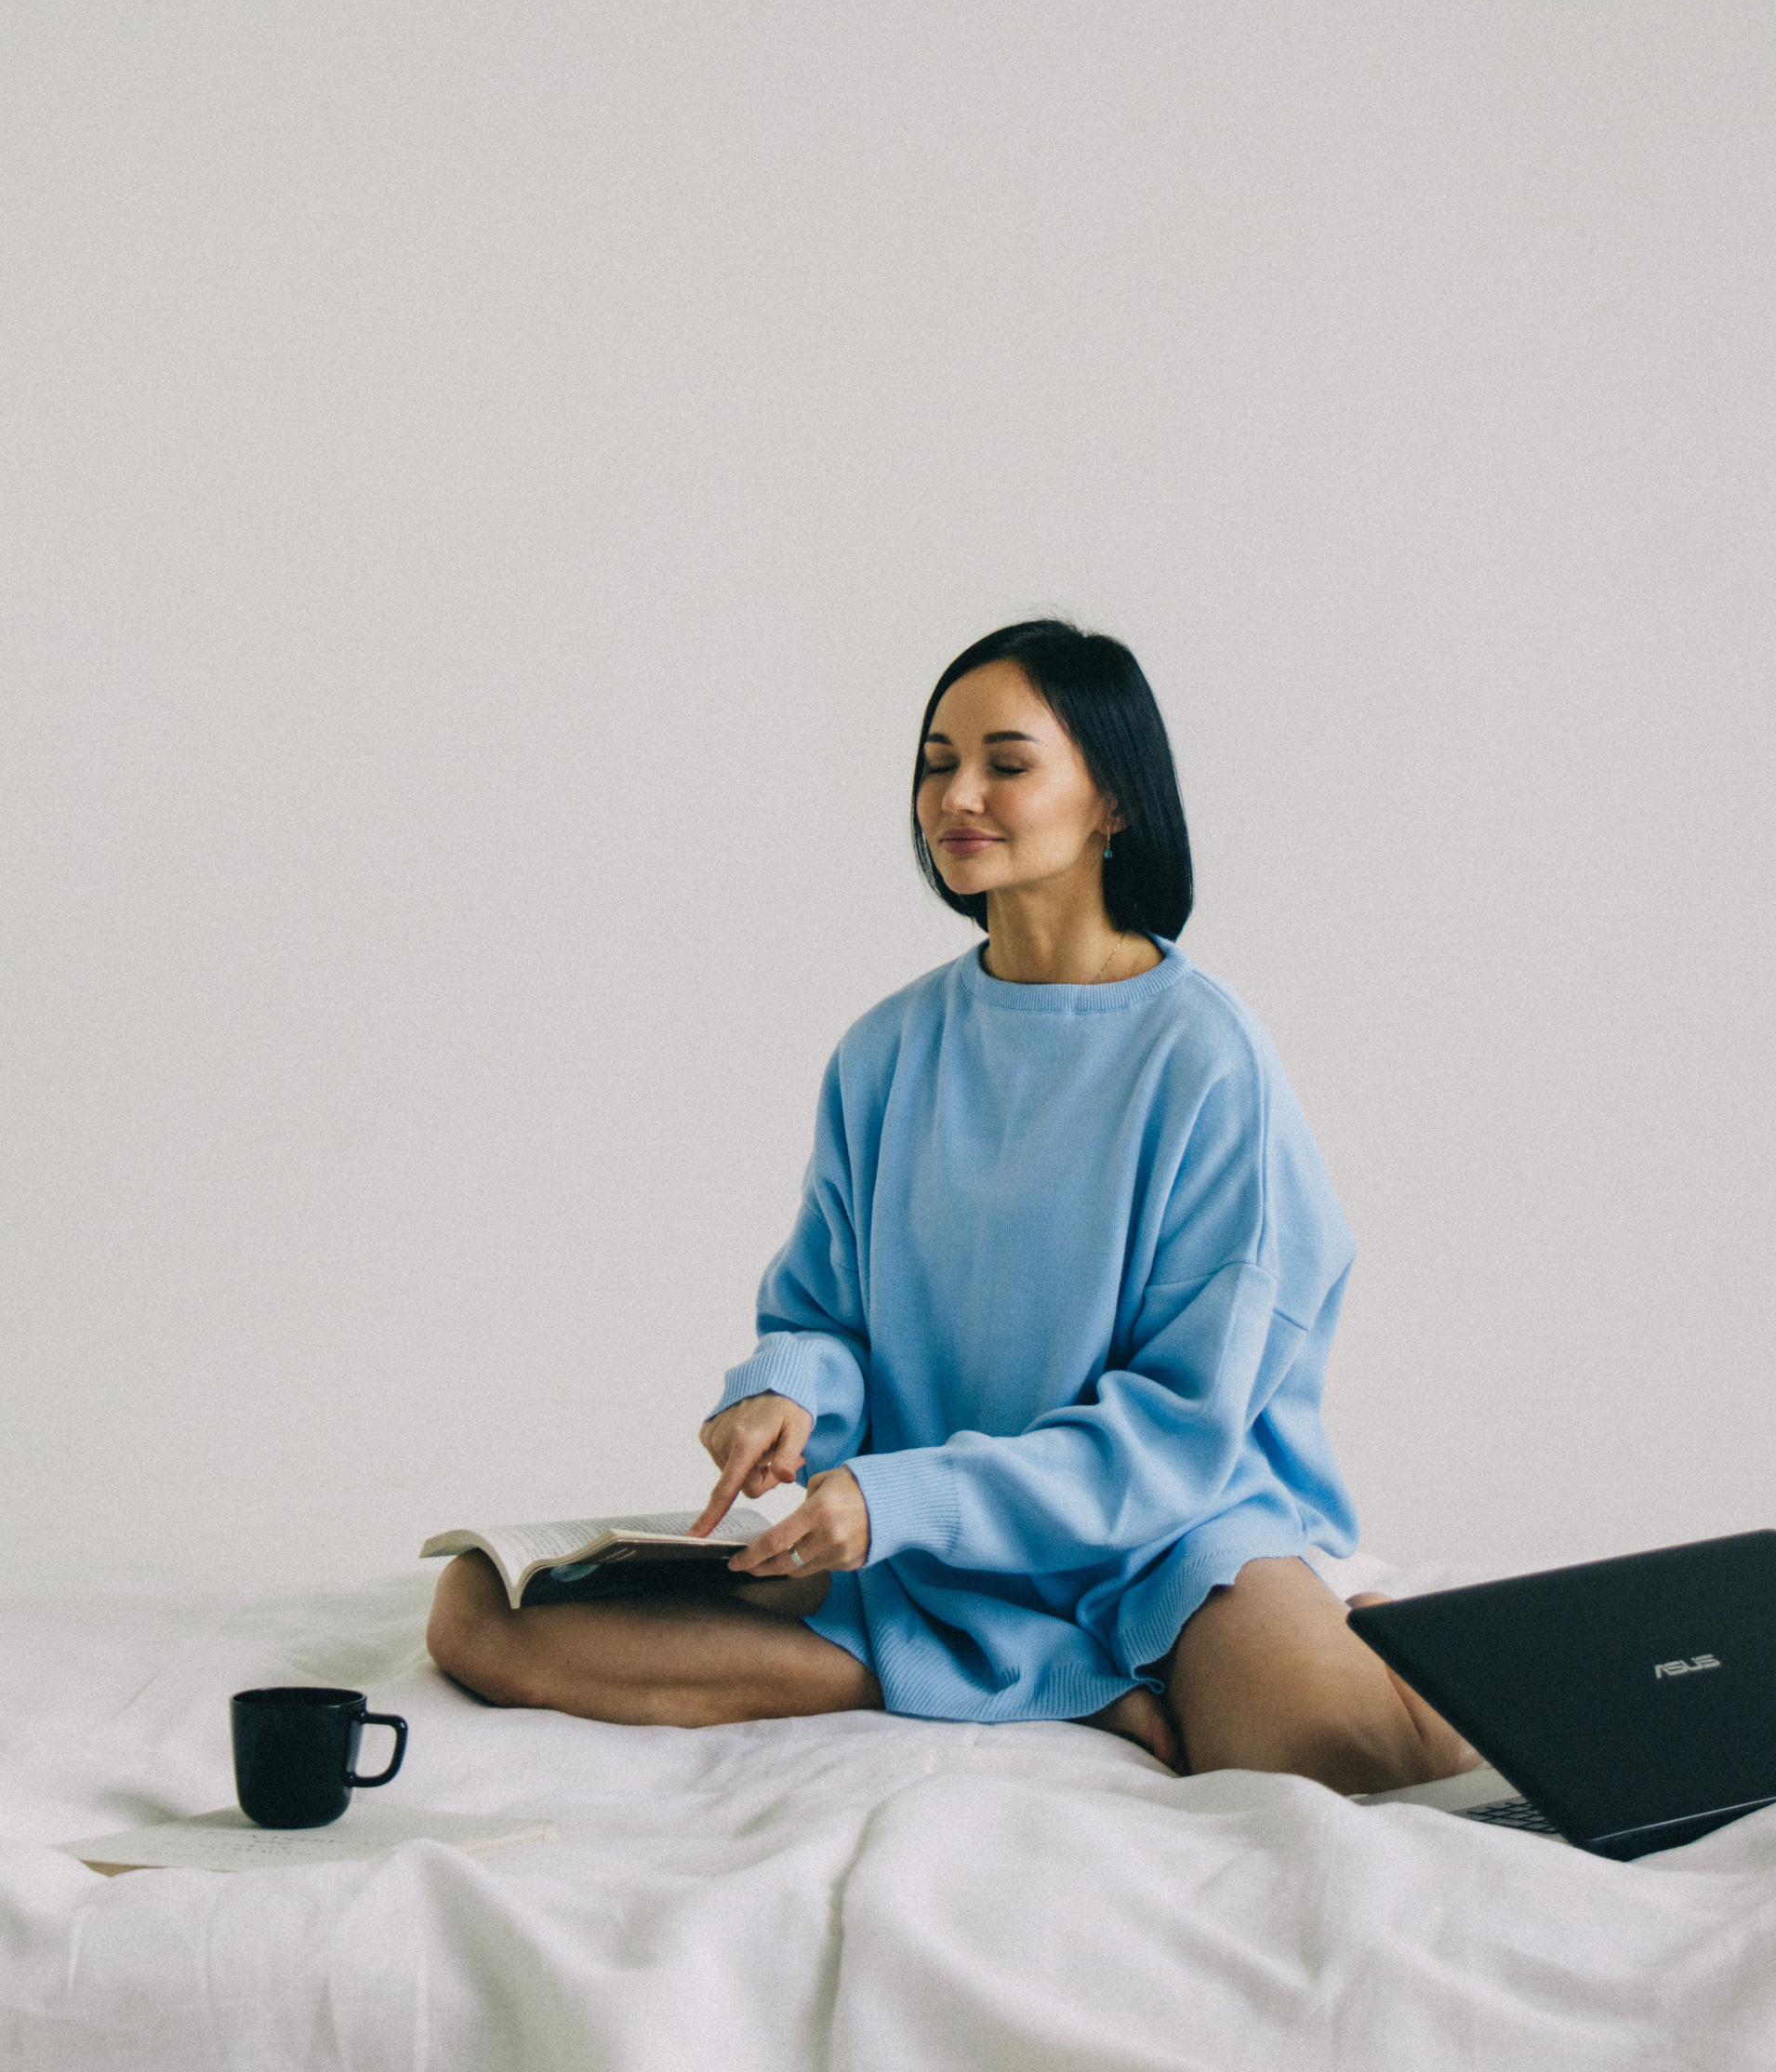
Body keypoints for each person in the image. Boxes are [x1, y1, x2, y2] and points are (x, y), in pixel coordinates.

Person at [427, 621, 1468, 1793]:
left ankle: (1282, 1644)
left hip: (1162, 1545)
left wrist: (902, 1497)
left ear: (1114, 800)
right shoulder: (885, 1051)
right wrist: (786, 1392)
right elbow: (826, 1317)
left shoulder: (1206, 1058)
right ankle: (1056, 1680)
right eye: (937, 763)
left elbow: (1180, 1428)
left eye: (1005, 764)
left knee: (1339, 1764)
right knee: (479, 1611)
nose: (956, 796)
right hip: (920, 1554)